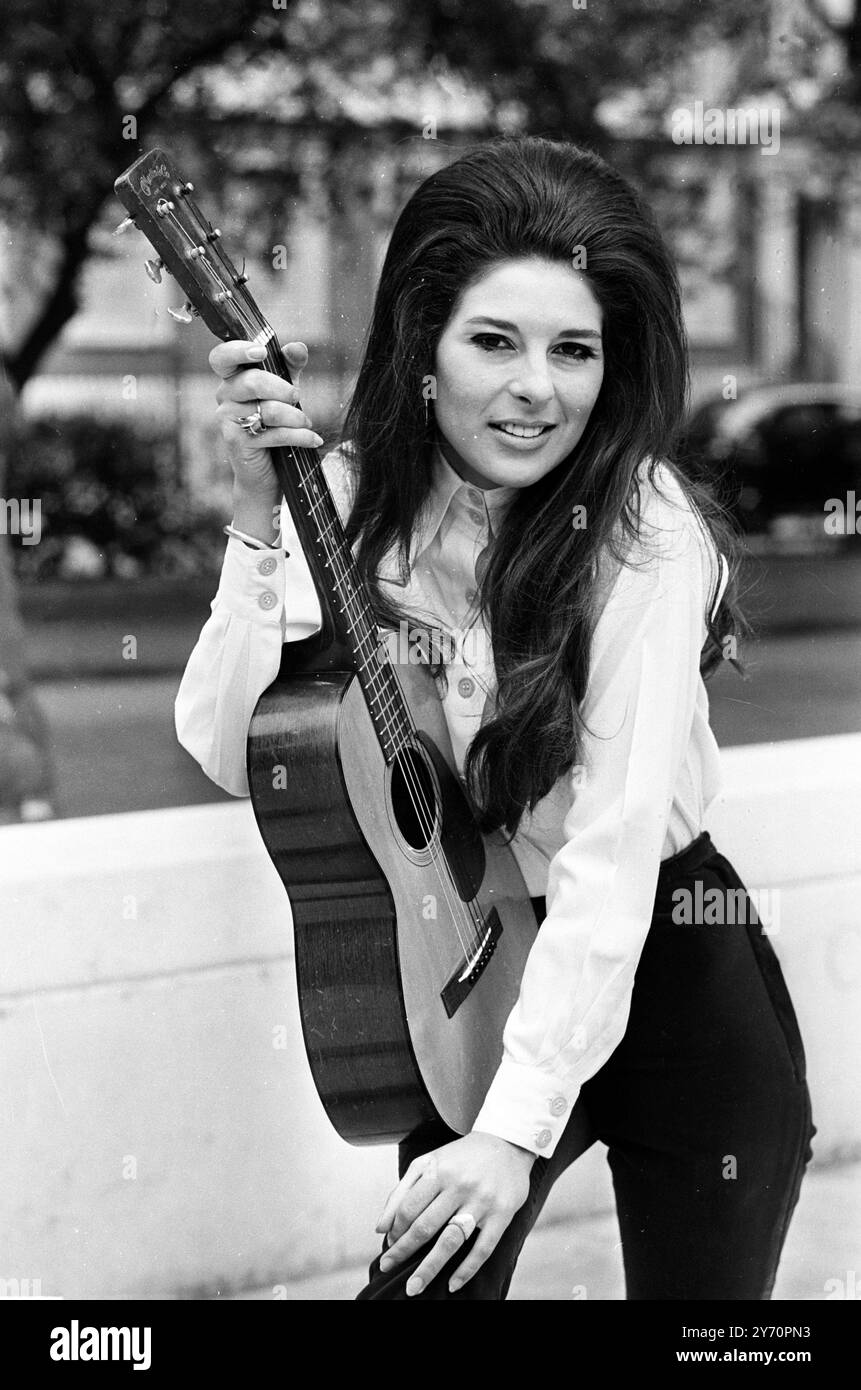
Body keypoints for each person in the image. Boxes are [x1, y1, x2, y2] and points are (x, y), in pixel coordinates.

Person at [175, 136, 815, 1300]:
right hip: (482, 958)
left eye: (575, 349)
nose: (538, 388)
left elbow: (613, 850)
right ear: (424, 348)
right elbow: (237, 755)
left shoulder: (647, 532)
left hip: (669, 956)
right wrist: (256, 528)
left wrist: (513, 1138)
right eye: (494, 341)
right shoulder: (356, 506)